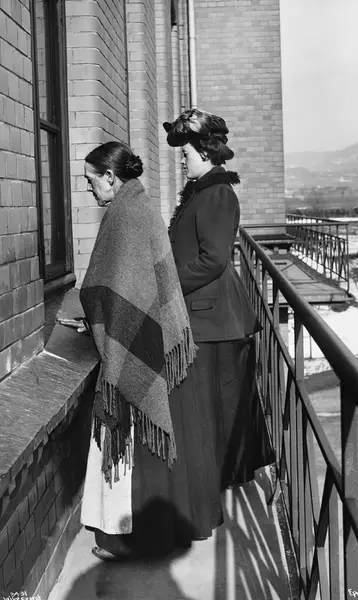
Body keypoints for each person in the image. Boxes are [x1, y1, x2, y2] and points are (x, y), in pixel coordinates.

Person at [79, 141, 198, 560]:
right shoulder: (139, 206)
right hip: (146, 335)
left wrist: (96, 315)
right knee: (142, 456)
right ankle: (141, 536)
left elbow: (107, 288)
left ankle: (130, 540)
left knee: (129, 449)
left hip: (133, 340)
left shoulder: (125, 215)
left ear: (111, 177)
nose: (88, 188)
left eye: (91, 179)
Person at [162, 108, 273, 540]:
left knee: (220, 409)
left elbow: (213, 260)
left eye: (186, 152)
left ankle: (222, 482)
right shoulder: (202, 191)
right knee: (218, 408)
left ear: (205, 152)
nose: (182, 159)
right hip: (207, 317)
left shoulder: (218, 194)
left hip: (213, 320)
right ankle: (221, 480)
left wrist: (165, 282)